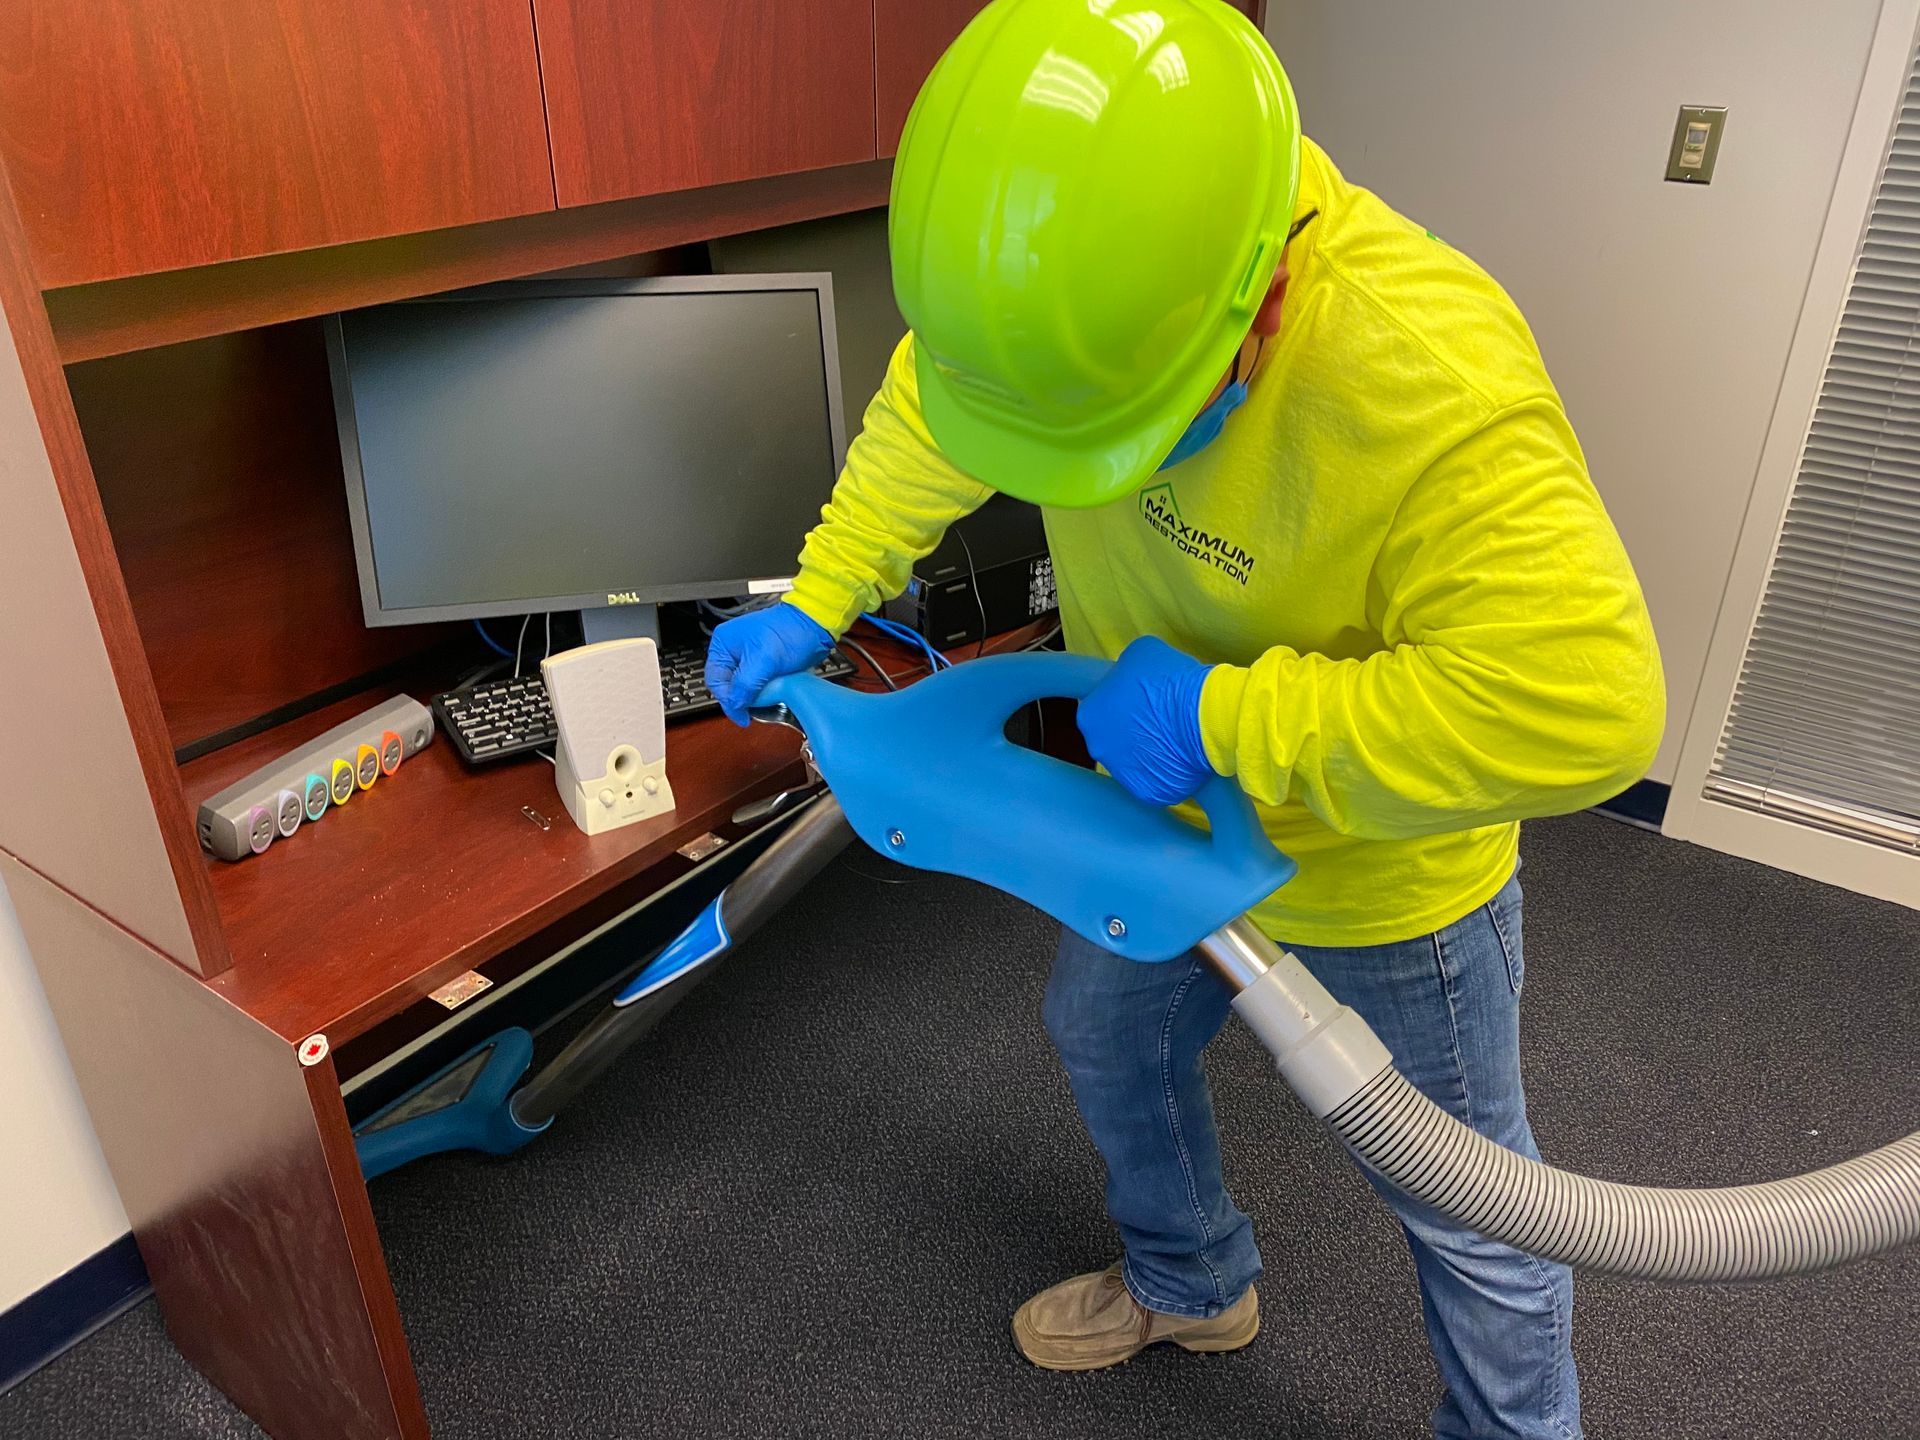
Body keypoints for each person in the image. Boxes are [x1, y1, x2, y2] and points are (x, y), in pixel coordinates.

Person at [705, 3, 1662, 1436]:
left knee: (1472, 1204)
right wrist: (827, 586)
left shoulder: (1422, 369)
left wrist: (1234, 718)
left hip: (1380, 876)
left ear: (1254, 302)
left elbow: (1589, 709)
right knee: (1107, 1033)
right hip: (1153, 825)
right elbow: (940, 407)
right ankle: (1192, 1280)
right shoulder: (1054, 277)